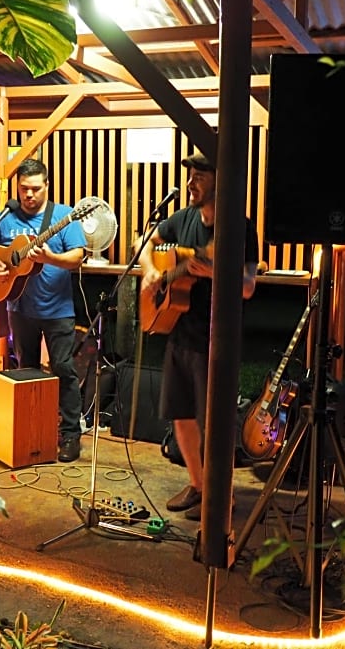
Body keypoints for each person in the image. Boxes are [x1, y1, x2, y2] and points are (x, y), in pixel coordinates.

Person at [138, 152, 259, 520]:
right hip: (179, 330)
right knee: (181, 415)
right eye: (190, 176)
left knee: (214, 424)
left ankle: (222, 498)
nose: (191, 183)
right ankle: (198, 484)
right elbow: (145, 242)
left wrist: (213, 271)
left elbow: (248, 286)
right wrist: (150, 271)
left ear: (220, 182)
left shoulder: (239, 227)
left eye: (199, 177)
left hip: (215, 340)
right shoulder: (183, 218)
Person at [0, 158, 87, 463]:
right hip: (19, 308)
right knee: (26, 372)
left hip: (58, 309)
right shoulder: (6, 216)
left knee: (63, 369)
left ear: (47, 185)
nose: (29, 195)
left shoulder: (64, 216)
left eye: (35, 189)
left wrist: (50, 258)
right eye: (23, 189)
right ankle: (31, 433)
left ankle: (70, 434)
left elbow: (77, 257)